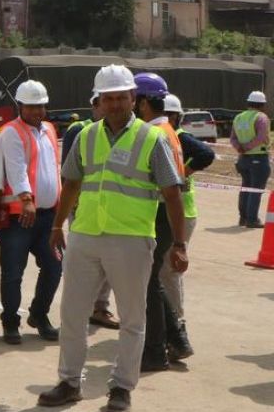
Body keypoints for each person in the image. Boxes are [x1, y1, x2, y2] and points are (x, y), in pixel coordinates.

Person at [38, 65, 188, 411]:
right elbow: (72, 183)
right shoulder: (87, 136)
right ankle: (69, 382)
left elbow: (172, 194)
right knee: (73, 314)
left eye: (123, 97)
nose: (117, 104)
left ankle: (121, 388)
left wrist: (179, 244)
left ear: (134, 99)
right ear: (99, 101)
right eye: (110, 98)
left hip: (131, 239)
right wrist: (57, 225)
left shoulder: (152, 139)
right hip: (86, 236)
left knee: (132, 319)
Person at [0, 80, 62, 345]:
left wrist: (61, 205)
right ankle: (10, 323)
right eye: (31, 107)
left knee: (54, 266)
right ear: (20, 106)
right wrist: (26, 198)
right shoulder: (10, 132)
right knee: (13, 273)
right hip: (20, 217)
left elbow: (53, 167)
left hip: (47, 216)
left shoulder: (50, 130)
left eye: (41, 106)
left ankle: (39, 315)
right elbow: (17, 169)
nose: (37, 111)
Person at [130, 73, 189, 374]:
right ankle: (177, 338)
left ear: (141, 103)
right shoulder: (168, 129)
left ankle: (155, 351)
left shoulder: (152, 134)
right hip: (164, 216)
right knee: (151, 281)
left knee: (146, 285)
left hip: (157, 215)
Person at [162, 93, 213, 361]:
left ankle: (176, 329)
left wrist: (184, 173)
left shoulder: (176, 135)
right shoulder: (169, 134)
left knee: (167, 273)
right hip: (179, 211)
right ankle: (172, 324)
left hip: (179, 212)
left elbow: (207, 153)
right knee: (170, 273)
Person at [61, 94, 118, 331]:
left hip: (112, 210)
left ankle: (100, 307)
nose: (108, 108)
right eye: (103, 103)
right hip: (83, 209)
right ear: (94, 105)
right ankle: (80, 308)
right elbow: (69, 173)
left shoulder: (120, 132)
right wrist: (71, 205)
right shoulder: (80, 130)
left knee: (108, 264)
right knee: (82, 263)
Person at [231, 91, 270, 228]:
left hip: (243, 159)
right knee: (255, 189)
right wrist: (247, 147)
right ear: (262, 104)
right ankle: (252, 219)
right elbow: (261, 138)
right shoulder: (261, 118)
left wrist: (240, 148)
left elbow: (233, 139)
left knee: (246, 188)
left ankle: (243, 218)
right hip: (258, 157)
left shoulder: (239, 117)